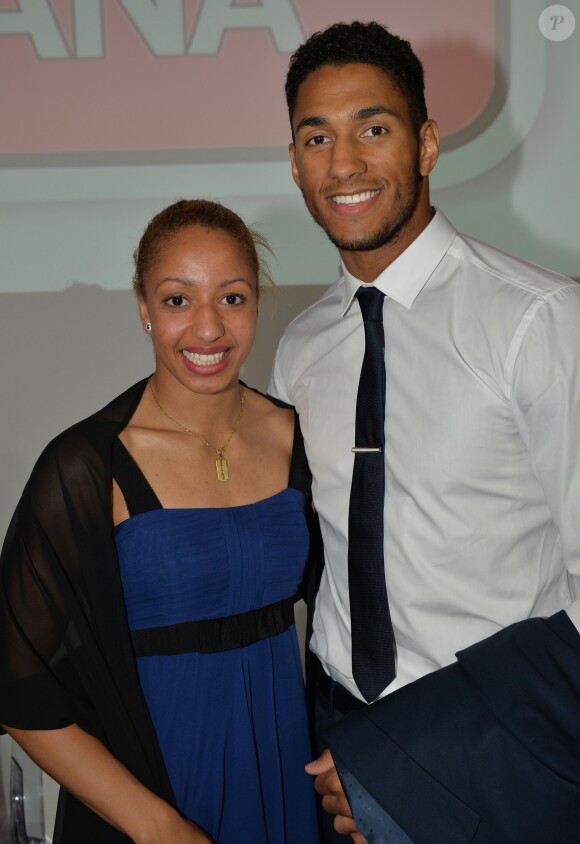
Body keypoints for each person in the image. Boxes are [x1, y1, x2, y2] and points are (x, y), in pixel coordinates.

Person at [269, 20, 580, 844]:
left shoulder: (539, 321)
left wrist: (405, 759)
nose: (344, 164)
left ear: (429, 144)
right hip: (336, 757)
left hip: (496, 755)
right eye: (316, 138)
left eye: (374, 128)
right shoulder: (299, 350)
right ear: (294, 162)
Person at [0, 199, 321, 844]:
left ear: (257, 303)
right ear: (144, 310)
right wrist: (158, 829)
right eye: (178, 300)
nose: (208, 329)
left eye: (232, 298)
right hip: (147, 804)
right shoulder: (84, 467)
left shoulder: (299, 436)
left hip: (286, 786)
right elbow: (18, 684)